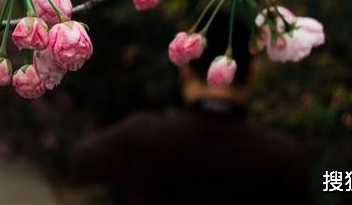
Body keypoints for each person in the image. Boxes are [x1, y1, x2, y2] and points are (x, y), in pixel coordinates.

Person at [70, 16, 314, 204]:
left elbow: (80, 163)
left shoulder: (145, 136)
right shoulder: (284, 159)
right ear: (252, 75)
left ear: (185, 69)